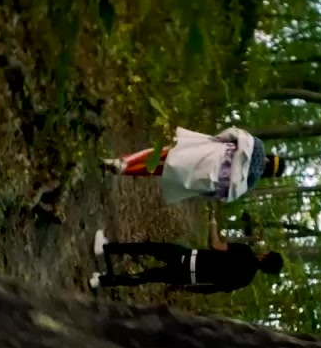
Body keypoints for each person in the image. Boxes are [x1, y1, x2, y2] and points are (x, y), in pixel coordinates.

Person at [88, 216, 283, 294]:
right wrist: (187, 287)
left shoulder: (245, 252)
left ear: (265, 257)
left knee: (148, 248)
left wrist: (213, 224)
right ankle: (101, 281)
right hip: (187, 277)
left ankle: (106, 248)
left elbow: (215, 245)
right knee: (146, 277)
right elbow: (212, 288)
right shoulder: (245, 280)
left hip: (188, 257)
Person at [101, 125, 287, 204]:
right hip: (204, 179)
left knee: (163, 153)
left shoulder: (256, 146)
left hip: (210, 155)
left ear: (270, 158)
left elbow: (231, 133)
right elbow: (221, 196)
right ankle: (124, 170)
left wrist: (214, 140)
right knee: (160, 169)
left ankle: (124, 162)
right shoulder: (248, 183)